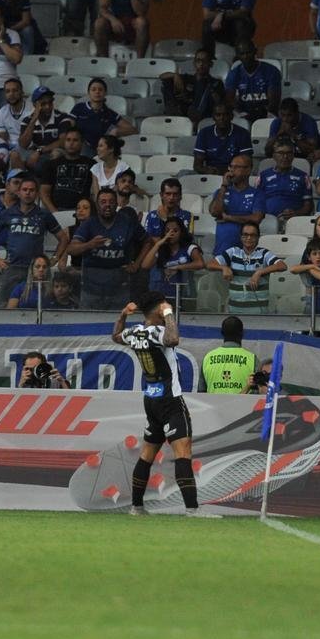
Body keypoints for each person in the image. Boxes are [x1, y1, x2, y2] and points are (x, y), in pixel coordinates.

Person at [114, 291, 218, 515]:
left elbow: (115, 336)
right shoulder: (157, 332)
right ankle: (192, 509)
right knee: (183, 451)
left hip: (151, 400)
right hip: (170, 400)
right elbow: (173, 339)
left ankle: (136, 507)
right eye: (163, 307)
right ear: (158, 310)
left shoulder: (135, 332)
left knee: (147, 453)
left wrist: (123, 315)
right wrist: (169, 313)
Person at [0, 175, 68, 306]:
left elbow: (63, 238)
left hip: (36, 270)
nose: (28, 193)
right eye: (25, 189)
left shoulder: (44, 215)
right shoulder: (8, 213)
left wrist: (55, 258)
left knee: (38, 306)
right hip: (12, 267)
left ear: (37, 193)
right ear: (18, 192)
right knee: (4, 306)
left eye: (32, 190)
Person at [68, 187, 143, 310]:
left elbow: (148, 242)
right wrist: (89, 244)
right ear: (97, 205)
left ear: (116, 204)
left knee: (119, 327)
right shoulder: (89, 224)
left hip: (120, 289)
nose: (107, 205)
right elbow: (71, 249)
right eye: (103, 202)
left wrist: (137, 264)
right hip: (91, 289)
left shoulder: (127, 222)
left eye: (111, 202)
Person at [209, 221, 285, 314]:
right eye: (245, 235)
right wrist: (224, 268)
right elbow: (210, 265)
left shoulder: (264, 253)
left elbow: (282, 266)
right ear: (241, 237)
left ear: (258, 237)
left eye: (253, 235)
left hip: (259, 313)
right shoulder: (233, 252)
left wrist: (259, 272)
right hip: (234, 310)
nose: (249, 238)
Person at [209, 154, 263, 256]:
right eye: (231, 167)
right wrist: (224, 186)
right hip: (222, 252)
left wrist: (228, 217)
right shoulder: (221, 192)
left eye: (237, 167)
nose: (232, 170)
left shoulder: (257, 194)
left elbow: (256, 218)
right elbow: (215, 212)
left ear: (248, 170)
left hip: (246, 254)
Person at [12, 86, 75, 174]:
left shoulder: (62, 118)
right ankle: (23, 182)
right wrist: (34, 120)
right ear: (35, 105)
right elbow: (23, 144)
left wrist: (40, 151)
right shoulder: (27, 121)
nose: (48, 106)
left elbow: (63, 141)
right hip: (33, 152)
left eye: (50, 102)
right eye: (43, 104)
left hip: (51, 152)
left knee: (56, 153)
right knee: (14, 154)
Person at [140, 216, 203, 301]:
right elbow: (145, 265)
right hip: (164, 295)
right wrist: (158, 244)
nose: (171, 234)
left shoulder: (190, 247)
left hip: (185, 294)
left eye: (175, 231)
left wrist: (177, 267)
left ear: (182, 232)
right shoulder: (162, 250)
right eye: (167, 231)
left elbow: (200, 264)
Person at [71, 77, 136, 157]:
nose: (97, 92)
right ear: (89, 93)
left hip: (100, 149)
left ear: (105, 93)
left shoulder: (109, 113)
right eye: (93, 89)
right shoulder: (79, 108)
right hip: (81, 146)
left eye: (100, 90)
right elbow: (69, 127)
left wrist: (116, 131)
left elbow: (132, 129)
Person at [159, 48, 224, 125]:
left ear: (211, 64)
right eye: (198, 61)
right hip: (183, 113)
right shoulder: (186, 78)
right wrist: (175, 75)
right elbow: (162, 76)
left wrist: (191, 100)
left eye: (205, 61)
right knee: (167, 83)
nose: (201, 64)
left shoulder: (216, 82)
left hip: (204, 116)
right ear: (194, 63)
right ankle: (173, 113)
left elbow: (219, 103)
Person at [40, 127, 95, 212]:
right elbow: (44, 193)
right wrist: (56, 213)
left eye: (75, 140)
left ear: (82, 143)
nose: (71, 143)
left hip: (81, 211)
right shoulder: (51, 164)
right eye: (68, 140)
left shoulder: (91, 164)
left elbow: (94, 192)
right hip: (56, 210)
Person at [259, 138, 313, 224]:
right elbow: (256, 203)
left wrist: (296, 214)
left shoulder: (303, 176)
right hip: (267, 220)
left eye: (289, 153)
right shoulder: (263, 176)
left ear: (293, 155)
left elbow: (308, 206)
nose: (285, 157)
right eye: (280, 153)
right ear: (273, 155)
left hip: (294, 221)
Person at [225, 40, 281, 121]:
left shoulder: (271, 71)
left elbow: (273, 104)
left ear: (255, 52)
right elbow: (229, 102)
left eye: (248, 52)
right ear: (238, 55)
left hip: (266, 115)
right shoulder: (234, 74)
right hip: (242, 115)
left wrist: (258, 114)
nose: (246, 56)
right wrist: (242, 114)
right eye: (242, 54)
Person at [200, 315, 257, 394]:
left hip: (213, 406)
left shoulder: (208, 358)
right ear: (242, 333)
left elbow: (201, 393)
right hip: (243, 406)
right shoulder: (252, 359)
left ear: (222, 333)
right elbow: (259, 392)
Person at [193, 103, 253, 175]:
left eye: (226, 115)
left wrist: (222, 172)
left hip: (234, 173)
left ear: (231, 116)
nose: (222, 118)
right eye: (218, 115)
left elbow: (246, 164)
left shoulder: (243, 133)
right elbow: (197, 165)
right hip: (211, 173)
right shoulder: (204, 133)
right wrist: (207, 171)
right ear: (213, 117)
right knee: (185, 173)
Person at [290, 238, 320, 315]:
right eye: (314, 254)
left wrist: (309, 269)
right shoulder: (310, 266)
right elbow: (292, 269)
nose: (318, 257)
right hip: (311, 305)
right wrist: (311, 266)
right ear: (309, 257)